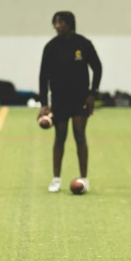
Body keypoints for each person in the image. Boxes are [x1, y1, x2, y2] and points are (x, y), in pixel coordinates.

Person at [39, 11, 102, 193]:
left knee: (79, 135)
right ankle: (56, 179)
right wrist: (44, 103)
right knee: (60, 137)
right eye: (56, 23)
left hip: (81, 99)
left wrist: (92, 94)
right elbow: (43, 76)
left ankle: (84, 178)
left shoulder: (83, 44)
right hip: (59, 99)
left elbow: (97, 68)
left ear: (70, 24)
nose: (58, 26)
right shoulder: (50, 47)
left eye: (61, 22)